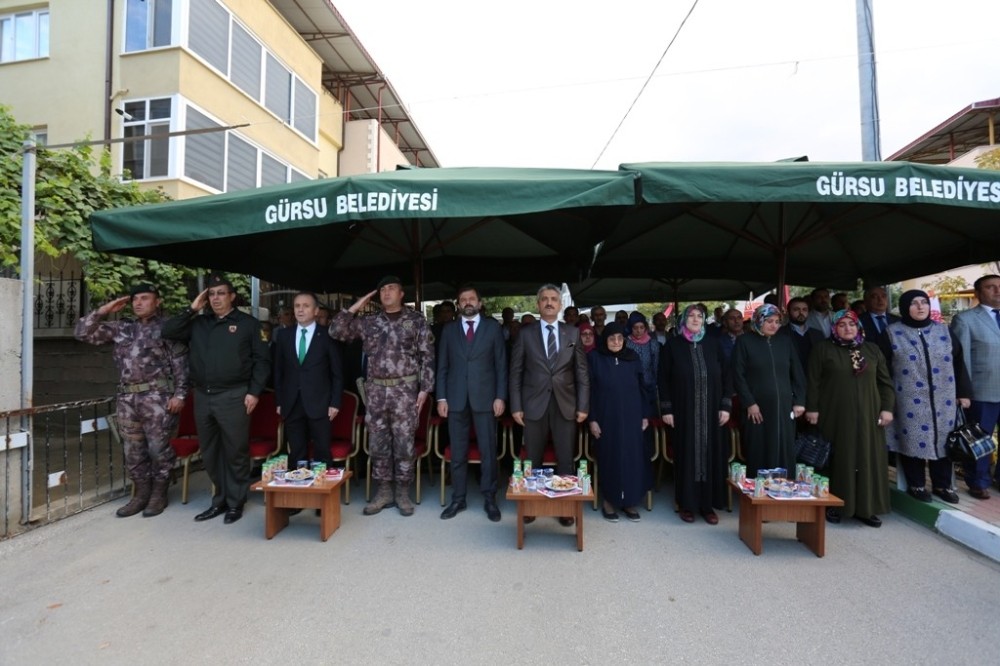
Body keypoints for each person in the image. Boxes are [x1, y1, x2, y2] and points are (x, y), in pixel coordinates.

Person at [162, 274, 270, 525]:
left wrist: (254, 392)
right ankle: (219, 499)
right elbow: (168, 331)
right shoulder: (199, 323)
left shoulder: (248, 324)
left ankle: (235, 502)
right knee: (210, 452)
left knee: (235, 451)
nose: (216, 298)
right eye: (212, 294)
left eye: (221, 293)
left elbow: (262, 361)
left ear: (232, 296)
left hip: (234, 395)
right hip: (203, 395)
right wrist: (192, 309)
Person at [74, 283, 189, 518]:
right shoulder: (122, 328)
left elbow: (181, 364)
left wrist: (180, 394)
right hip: (127, 398)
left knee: (158, 449)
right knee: (132, 450)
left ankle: (159, 494)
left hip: (157, 398)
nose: (138, 303)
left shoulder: (168, 328)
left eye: (145, 298)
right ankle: (140, 495)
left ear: (157, 302)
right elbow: (81, 333)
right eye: (135, 299)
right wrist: (104, 310)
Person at [330, 276, 434, 516]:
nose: (386, 292)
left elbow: (428, 356)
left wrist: (425, 389)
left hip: (405, 392)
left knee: (404, 443)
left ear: (401, 294)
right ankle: (384, 490)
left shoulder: (416, 321)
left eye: (391, 288)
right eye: (382, 289)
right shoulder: (369, 322)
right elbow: (336, 330)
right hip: (376, 391)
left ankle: (402, 492)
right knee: (378, 443)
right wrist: (357, 304)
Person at [509, 283, 590, 526]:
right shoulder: (525, 334)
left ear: (560, 304)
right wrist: (515, 406)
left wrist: (583, 406)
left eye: (553, 299)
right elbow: (516, 373)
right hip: (533, 404)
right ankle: (532, 505)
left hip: (566, 404)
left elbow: (582, 373)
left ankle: (565, 508)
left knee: (566, 459)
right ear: (538, 304)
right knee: (533, 459)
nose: (549, 302)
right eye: (544, 299)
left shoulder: (572, 333)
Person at [805, 309, 894, 526]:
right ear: (834, 328)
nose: (848, 329)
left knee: (866, 458)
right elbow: (813, 382)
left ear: (858, 327)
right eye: (842, 325)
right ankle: (835, 505)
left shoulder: (871, 350)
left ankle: (866, 508)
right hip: (835, 414)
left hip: (869, 415)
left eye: (852, 324)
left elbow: (885, 383)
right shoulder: (823, 349)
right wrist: (812, 409)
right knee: (839, 459)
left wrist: (887, 409)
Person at [886, 290, 971, 504]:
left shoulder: (944, 331)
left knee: (944, 441)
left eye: (924, 302)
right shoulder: (892, 333)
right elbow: (883, 369)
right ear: (905, 307)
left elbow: (959, 363)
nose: (920, 307)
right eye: (914, 303)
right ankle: (916, 484)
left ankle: (942, 485)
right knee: (912, 440)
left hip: (944, 399)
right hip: (908, 399)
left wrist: (964, 393)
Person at [436, 285, 507, 522]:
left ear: (480, 302)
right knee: (458, 452)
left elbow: (501, 365)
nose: (467, 302)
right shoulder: (448, 330)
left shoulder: (493, 328)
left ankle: (490, 498)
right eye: (463, 299)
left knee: (488, 450)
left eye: (471, 299)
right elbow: (442, 366)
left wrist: (500, 396)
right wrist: (441, 397)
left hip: (486, 398)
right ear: (458, 304)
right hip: (455, 399)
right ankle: (458, 498)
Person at [658, 305, 732, 525]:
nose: (696, 319)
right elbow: (663, 379)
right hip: (684, 411)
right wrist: (667, 409)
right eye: (691, 315)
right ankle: (687, 504)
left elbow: (728, 375)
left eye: (700, 316)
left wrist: (726, 406)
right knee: (687, 455)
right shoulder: (673, 346)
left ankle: (708, 506)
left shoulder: (714, 344)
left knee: (711, 455)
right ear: (682, 320)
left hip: (712, 412)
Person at [273, 292, 344, 475]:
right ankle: (298, 495)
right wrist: (280, 401)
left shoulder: (328, 336)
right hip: (291, 402)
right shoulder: (283, 335)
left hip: (320, 403)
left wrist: (335, 402)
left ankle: (322, 498)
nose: (300, 310)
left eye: (305, 306)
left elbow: (337, 373)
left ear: (316, 310)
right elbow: (278, 371)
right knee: (297, 453)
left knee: (322, 452)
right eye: (297, 306)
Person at [733, 304, 806, 477]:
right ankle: (758, 494)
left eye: (777, 321)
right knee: (759, 448)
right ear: (758, 320)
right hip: (757, 409)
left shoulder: (785, 341)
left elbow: (798, 374)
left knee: (784, 448)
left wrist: (800, 402)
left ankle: (784, 491)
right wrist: (750, 403)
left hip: (784, 407)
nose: (774, 325)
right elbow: (737, 375)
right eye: (769, 321)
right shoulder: (744, 342)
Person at [587, 324, 651, 522]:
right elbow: (588, 391)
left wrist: (645, 415)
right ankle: (609, 500)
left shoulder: (632, 357)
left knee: (632, 458)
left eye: (620, 339)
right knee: (610, 457)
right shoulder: (595, 358)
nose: (616, 342)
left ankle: (630, 502)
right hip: (606, 418)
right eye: (612, 338)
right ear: (604, 339)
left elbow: (643, 387)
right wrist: (593, 419)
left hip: (632, 417)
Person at [949, 274, 1000, 500]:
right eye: (991, 287)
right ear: (978, 293)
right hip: (982, 391)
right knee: (981, 439)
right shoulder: (966, 319)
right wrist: (963, 392)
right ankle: (978, 481)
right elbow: (962, 361)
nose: (997, 291)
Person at [626, 312, 659, 426]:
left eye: (641, 327)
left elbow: (656, 367)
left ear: (645, 327)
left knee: (649, 421)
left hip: (649, 388)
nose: (639, 331)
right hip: (631, 388)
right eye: (635, 328)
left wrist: (655, 385)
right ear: (631, 328)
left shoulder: (653, 344)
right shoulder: (625, 343)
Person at [858, 286, 899, 372]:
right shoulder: (857, 322)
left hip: (897, 369)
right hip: (871, 369)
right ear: (866, 302)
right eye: (874, 297)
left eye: (883, 296)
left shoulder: (898, 321)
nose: (880, 300)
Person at [780, 296, 825, 376]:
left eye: (804, 310)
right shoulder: (781, 333)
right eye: (796, 309)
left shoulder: (818, 334)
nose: (801, 313)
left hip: (814, 379)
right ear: (788, 312)